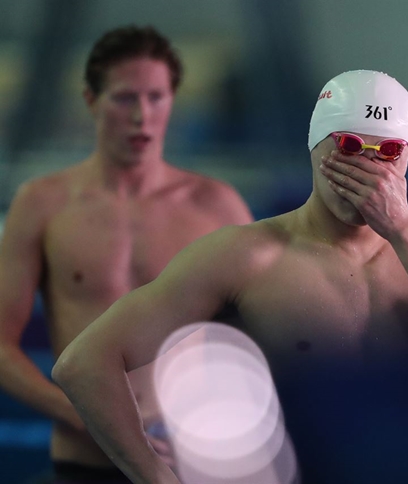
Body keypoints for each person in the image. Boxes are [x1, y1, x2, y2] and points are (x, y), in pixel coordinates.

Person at [51, 69, 408, 483]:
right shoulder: (248, 256)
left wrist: (403, 232)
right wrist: (155, 477)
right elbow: (84, 364)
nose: (369, 167)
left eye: (389, 151)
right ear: (316, 144)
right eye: (350, 146)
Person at [0, 25, 253, 483]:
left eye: (156, 97)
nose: (142, 115)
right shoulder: (42, 203)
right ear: (91, 100)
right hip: (83, 460)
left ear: (173, 100)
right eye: (124, 98)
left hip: (190, 461)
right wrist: (83, 411)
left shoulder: (216, 206)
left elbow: (261, 336)